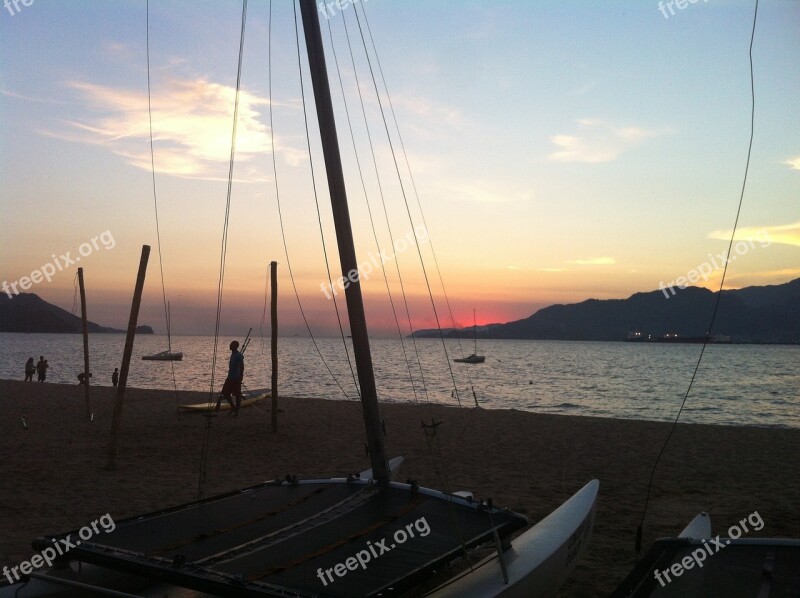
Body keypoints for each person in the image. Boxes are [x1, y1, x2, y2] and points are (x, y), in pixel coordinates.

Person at [215, 340, 244, 415]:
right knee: (225, 393)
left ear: (235, 346)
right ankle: (233, 407)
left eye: (231, 345)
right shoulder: (233, 354)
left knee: (237, 395)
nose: (230, 346)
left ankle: (236, 412)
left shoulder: (239, 355)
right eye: (230, 344)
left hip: (236, 378)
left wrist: (240, 378)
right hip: (230, 377)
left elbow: (242, 367)